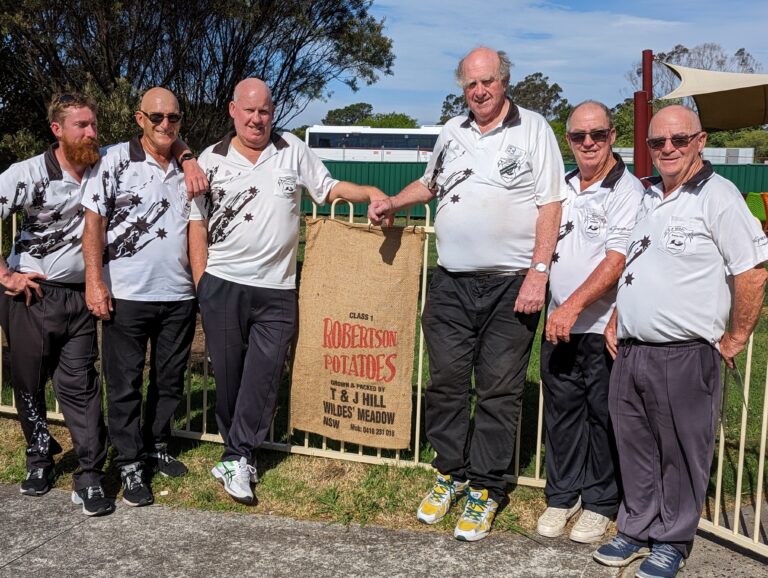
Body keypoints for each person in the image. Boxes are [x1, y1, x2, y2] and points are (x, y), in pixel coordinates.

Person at [369, 46, 564, 541]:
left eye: (488, 81)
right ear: (464, 87)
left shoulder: (534, 128)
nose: (479, 91)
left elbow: (550, 203)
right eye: (471, 84)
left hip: (510, 286)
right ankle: (451, 471)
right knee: (447, 383)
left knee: (499, 388)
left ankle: (486, 487)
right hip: (451, 282)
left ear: (504, 82)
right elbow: (431, 184)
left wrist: (539, 271)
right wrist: (394, 200)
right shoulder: (452, 132)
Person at [188, 78, 388, 505]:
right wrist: (202, 281)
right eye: (248, 111)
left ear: (272, 111)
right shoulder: (212, 158)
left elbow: (328, 189)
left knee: (264, 373)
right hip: (223, 283)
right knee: (229, 375)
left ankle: (238, 454)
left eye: (264, 111)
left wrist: (367, 191)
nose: (257, 119)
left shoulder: (292, 149)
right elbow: (196, 223)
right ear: (232, 110)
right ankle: (237, 453)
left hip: (278, 287)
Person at [593, 105, 768, 578]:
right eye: (657, 143)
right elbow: (637, 264)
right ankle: (635, 528)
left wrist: (734, 339)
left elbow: (752, 272)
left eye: (679, 140)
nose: (668, 149)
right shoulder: (647, 195)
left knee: (679, 451)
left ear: (700, 140)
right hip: (631, 350)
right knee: (635, 446)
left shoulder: (719, 196)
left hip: (686, 353)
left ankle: (672, 539)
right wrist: (615, 318)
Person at [82, 87, 201, 507]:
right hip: (127, 294)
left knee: (169, 381)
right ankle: (129, 462)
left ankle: (157, 445)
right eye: (157, 118)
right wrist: (94, 281)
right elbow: (93, 224)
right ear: (139, 119)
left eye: (174, 118)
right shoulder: (113, 160)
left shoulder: (190, 165)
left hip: (179, 294)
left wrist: (187, 157)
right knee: (125, 383)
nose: (166, 125)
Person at [0, 93, 113, 516]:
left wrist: (188, 154)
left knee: (81, 386)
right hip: (32, 295)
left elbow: (159, 138)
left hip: (81, 296)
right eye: (81, 125)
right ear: (57, 130)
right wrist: (6, 275)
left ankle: (89, 474)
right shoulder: (28, 173)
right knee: (29, 383)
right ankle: (39, 458)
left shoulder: (104, 166)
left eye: (93, 124)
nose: (90, 132)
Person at [536, 101, 644, 543]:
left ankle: (600, 503)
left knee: (603, 416)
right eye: (579, 136)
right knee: (561, 415)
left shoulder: (627, 190)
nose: (588, 144)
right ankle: (562, 496)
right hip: (560, 323)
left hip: (600, 327)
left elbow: (616, 260)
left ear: (612, 135)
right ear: (568, 140)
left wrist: (572, 306)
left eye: (597, 135)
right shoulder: (560, 187)